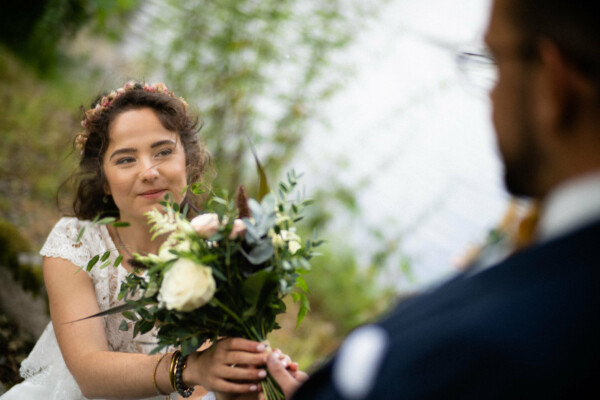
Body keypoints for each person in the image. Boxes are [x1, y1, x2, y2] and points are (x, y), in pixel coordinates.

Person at [261, 0, 600, 398]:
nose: (491, 96)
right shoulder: (548, 255)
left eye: (493, 60)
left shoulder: (501, 347)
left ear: (552, 84)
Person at [0, 81, 273, 400]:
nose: (149, 171)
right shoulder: (75, 243)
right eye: (126, 159)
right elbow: (89, 373)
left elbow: (208, 387)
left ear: (189, 160)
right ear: (103, 180)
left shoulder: (216, 253)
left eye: (163, 152)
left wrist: (243, 374)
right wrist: (191, 367)